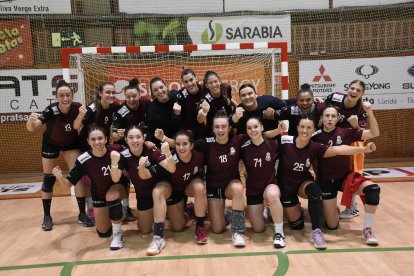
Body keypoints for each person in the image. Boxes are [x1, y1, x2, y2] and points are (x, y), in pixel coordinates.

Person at [277, 115, 377, 249]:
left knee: (314, 190)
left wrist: (364, 149)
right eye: (302, 127)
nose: (305, 130)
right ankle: (299, 210)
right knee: (297, 226)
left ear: (313, 131)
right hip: (286, 187)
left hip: (302, 183)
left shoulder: (315, 146)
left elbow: (338, 149)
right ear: (297, 128)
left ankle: (316, 232)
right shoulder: (285, 141)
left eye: (308, 128)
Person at [26, 80, 93, 231]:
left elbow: (76, 126)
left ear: (72, 95)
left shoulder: (77, 107)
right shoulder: (51, 110)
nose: (65, 98)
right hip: (51, 143)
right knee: (48, 178)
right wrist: (30, 121)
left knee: (77, 177)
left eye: (68, 95)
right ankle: (47, 216)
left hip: (71, 143)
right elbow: (33, 127)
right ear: (56, 97)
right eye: (61, 95)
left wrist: (81, 115)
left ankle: (82, 214)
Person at [312, 103, 380, 245]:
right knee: (332, 226)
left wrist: (369, 112)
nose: (330, 119)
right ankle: (330, 209)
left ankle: (367, 230)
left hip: (345, 178)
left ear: (338, 119)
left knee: (373, 190)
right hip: (326, 181)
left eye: (333, 116)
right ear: (322, 118)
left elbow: (374, 133)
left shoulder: (345, 132)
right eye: (327, 116)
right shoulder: (315, 136)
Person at [52, 125, 128, 250]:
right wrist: (59, 177)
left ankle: (118, 234)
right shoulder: (83, 159)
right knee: (103, 233)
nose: (97, 142)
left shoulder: (116, 151)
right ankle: (115, 213)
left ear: (106, 139)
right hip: (99, 193)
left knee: (112, 195)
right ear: (88, 141)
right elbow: (68, 184)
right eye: (93, 139)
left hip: (118, 189)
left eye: (100, 138)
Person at [110, 124, 176, 256]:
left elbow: (172, 169)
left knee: (157, 193)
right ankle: (160, 213)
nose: (135, 140)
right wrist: (114, 163)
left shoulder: (152, 150)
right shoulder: (123, 155)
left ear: (144, 138)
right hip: (143, 194)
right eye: (131, 137)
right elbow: (116, 179)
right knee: (144, 230)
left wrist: (168, 153)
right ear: (126, 140)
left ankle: (158, 238)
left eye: (138, 137)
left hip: (162, 187)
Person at [73, 81, 127, 222]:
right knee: (88, 179)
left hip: (102, 147)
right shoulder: (91, 109)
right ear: (100, 93)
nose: (110, 95)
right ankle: (89, 209)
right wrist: (79, 116)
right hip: (86, 147)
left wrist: (115, 136)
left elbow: (109, 128)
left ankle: (115, 207)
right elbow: (76, 126)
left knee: (107, 177)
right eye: (107, 92)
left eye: (112, 92)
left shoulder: (112, 108)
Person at [195, 111, 249, 247]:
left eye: (223, 126)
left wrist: (278, 130)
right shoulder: (206, 144)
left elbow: (259, 136)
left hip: (231, 184)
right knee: (217, 229)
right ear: (212, 129)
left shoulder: (237, 140)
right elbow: (184, 143)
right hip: (214, 187)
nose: (220, 130)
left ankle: (237, 232)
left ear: (229, 128)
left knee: (238, 189)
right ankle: (228, 214)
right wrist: (164, 139)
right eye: (217, 127)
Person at [325, 80, 368, 218]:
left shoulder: (361, 109)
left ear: (362, 93)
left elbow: (361, 135)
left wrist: (355, 125)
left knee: (351, 174)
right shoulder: (335, 97)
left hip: (351, 143)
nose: (354, 92)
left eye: (358, 90)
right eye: (352, 88)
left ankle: (352, 207)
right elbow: (324, 108)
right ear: (347, 88)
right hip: (332, 139)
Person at [241, 117, 285, 248]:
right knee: (258, 229)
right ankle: (268, 210)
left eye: (255, 127)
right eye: (249, 128)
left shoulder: (272, 144)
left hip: (269, 185)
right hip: (253, 189)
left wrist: (278, 130)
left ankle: (279, 233)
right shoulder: (244, 146)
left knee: (272, 195)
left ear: (261, 128)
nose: (252, 130)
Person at [168, 130, 208, 244]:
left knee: (200, 188)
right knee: (177, 227)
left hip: (190, 186)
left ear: (192, 145)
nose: (181, 147)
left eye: (185, 144)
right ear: (174, 145)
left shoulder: (199, 156)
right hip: (175, 190)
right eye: (178, 144)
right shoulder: (169, 159)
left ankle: (199, 227)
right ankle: (188, 211)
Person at [111, 78, 151, 145]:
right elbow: (114, 137)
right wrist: (122, 134)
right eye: (128, 97)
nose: (131, 99)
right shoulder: (121, 111)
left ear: (139, 95)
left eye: (134, 96)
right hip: (126, 144)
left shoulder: (146, 102)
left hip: (144, 141)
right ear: (125, 97)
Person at [197, 71, 235, 136]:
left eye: (215, 81)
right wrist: (204, 112)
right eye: (210, 83)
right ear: (207, 85)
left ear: (219, 81)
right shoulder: (205, 98)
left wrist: (237, 105)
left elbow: (229, 99)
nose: (214, 84)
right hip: (214, 130)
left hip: (229, 124)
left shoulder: (227, 88)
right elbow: (200, 120)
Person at [145, 77, 181, 145]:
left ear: (166, 86)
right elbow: (155, 137)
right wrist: (176, 116)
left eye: (161, 87)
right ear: (153, 94)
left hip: (184, 135)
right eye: (155, 90)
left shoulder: (176, 95)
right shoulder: (151, 113)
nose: (160, 91)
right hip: (167, 142)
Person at [177, 69, 207, 139]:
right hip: (188, 133)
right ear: (183, 84)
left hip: (204, 131)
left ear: (196, 79)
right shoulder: (181, 95)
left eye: (191, 80)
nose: (189, 84)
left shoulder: (205, 90)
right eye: (186, 82)